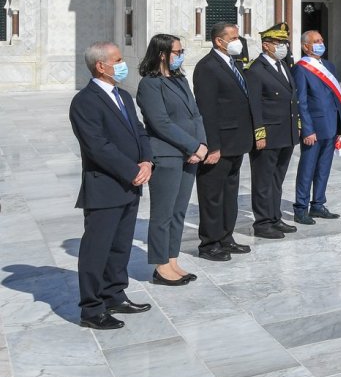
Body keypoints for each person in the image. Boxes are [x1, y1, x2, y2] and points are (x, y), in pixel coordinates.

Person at [69, 41, 154, 329]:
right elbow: (98, 147)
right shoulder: (85, 101)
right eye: (117, 60)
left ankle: (114, 293)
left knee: (120, 246)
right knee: (97, 249)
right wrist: (131, 170)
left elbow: (139, 131)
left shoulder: (123, 95)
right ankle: (92, 309)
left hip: (131, 184)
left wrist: (146, 161)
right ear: (100, 66)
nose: (122, 64)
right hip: (105, 187)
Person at [136, 34, 205, 285]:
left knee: (179, 211)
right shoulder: (150, 84)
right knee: (162, 213)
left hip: (191, 155)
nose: (181, 55)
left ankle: (172, 259)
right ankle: (161, 265)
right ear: (162, 54)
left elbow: (195, 114)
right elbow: (160, 123)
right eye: (177, 51)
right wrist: (192, 145)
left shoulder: (180, 79)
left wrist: (202, 145)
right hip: (167, 154)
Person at [192, 22, 255, 261]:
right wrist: (213, 146)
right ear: (219, 40)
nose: (239, 41)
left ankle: (226, 237)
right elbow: (207, 110)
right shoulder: (207, 67)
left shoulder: (233, 64)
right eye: (234, 37)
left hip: (237, 142)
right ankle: (209, 243)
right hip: (219, 144)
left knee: (229, 193)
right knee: (212, 195)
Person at [246, 22, 300, 239]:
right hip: (268, 134)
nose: (283, 46)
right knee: (263, 179)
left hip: (285, 132)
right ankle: (262, 222)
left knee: (277, 178)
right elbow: (254, 106)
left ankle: (275, 217)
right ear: (266, 45)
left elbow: (291, 100)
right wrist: (259, 133)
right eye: (278, 43)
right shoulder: (256, 70)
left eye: (284, 42)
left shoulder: (283, 65)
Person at [292, 31, 341, 223]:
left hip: (331, 126)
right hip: (313, 129)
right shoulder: (301, 68)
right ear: (306, 46)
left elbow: (336, 99)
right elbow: (300, 101)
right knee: (307, 168)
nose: (320, 44)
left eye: (321, 40)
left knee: (324, 167)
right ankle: (300, 208)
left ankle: (318, 204)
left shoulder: (328, 66)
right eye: (316, 42)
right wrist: (307, 129)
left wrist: (340, 128)